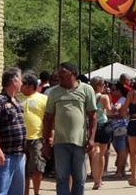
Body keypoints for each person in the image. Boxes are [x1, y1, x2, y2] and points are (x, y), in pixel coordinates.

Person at [41, 61, 98, 195]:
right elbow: (48, 119)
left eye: (63, 72)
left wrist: (91, 139)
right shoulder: (54, 93)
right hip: (60, 142)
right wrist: (46, 142)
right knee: (61, 178)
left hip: (80, 142)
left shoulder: (86, 89)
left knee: (79, 178)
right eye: (58, 72)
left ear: (73, 74)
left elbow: (93, 117)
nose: (59, 75)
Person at [0, 67, 26, 195]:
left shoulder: (17, 101)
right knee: (1, 190)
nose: (22, 83)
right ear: (14, 81)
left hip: (19, 153)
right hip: (6, 155)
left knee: (17, 191)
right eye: (20, 80)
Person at [19, 72, 48, 195]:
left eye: (23, 84)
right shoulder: (16, 98)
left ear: (30, 85)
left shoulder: (43, 99)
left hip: (37, 138)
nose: (20, 86)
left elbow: (49, 118)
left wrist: (50, 135)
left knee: (37, 167)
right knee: (22, 170)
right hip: (19, 138)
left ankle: (36, 192)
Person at [88, 77, 111, 191]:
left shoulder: (88, 96)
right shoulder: (104, 97)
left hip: (92, 125)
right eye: (103, 84)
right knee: (101, 154)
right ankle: (99, 180)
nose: (104, 86)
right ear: (98, 85)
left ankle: (95, 178)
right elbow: (109, 111)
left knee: (94, 152)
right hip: (103, 125)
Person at [107, 82, 129, 179]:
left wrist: (111, 113)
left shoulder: (122, 99)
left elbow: (117, 108)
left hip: (120, 127)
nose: (112, 91)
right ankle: (121, 170)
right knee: (121, 149)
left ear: (118, 90)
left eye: (113, 89)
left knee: (121, 150)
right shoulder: (123, 99)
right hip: (120, 126)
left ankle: (119, 171)